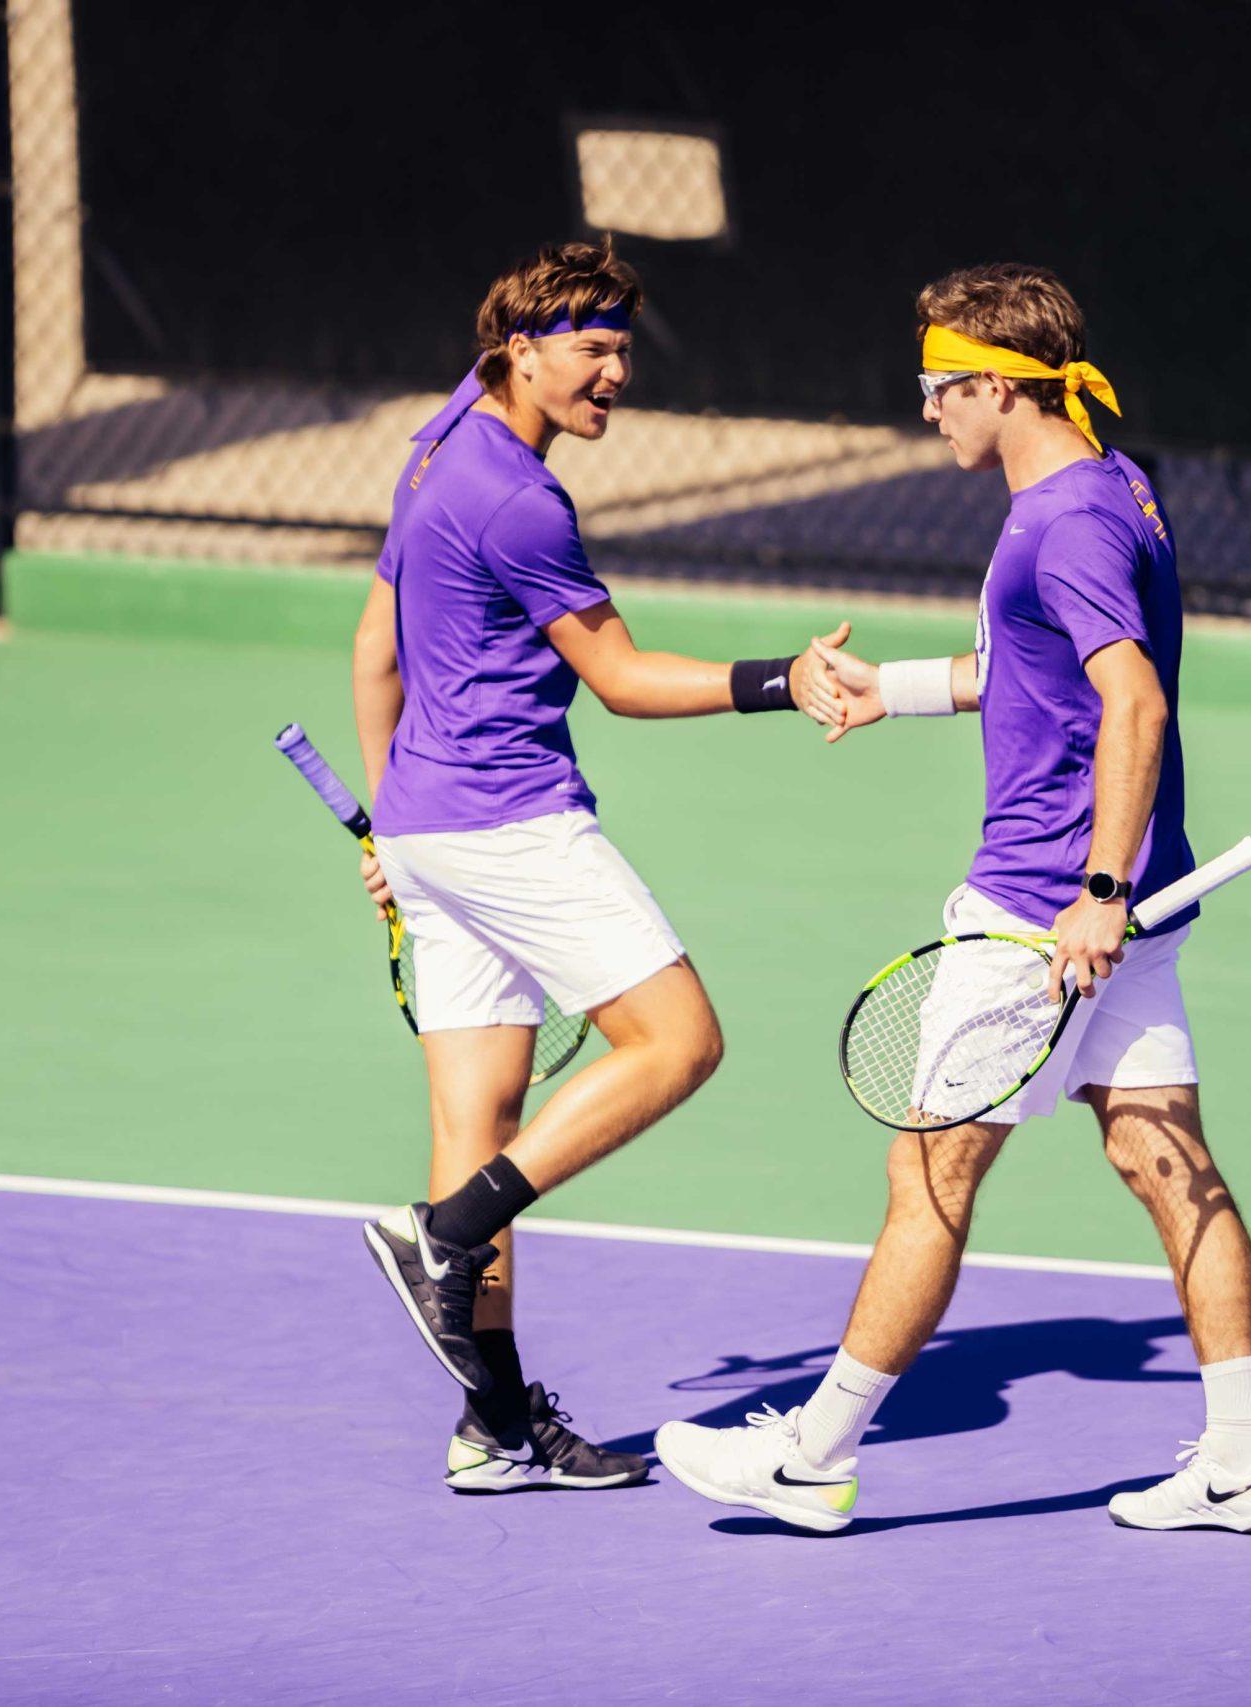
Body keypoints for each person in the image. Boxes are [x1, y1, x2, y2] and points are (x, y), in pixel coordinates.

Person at [653, 263, 1251, 1533]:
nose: (927, 412)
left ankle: (813, 1460)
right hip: (1120, 903)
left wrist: (1096, 890)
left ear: (997, 387)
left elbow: (1134, 702)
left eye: (936, 389)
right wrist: (872, 690)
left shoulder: (1063, 521)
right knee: (1168, 1167)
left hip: (1040, 911)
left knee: (929, 1181)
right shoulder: (1109, 490)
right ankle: (1240, 1460)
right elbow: (1025, 672)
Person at [350, 238, 843, 1493]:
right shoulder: (520, 498)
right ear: (520, 349)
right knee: (678, 1042)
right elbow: (620, 682)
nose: (616, 372)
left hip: (427, 824)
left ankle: (496, 1429)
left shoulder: (439, 437)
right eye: (592, 348)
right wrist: (783, 680)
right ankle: (438, 1240)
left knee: (479, 1122)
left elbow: (375, 653)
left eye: (625, 346)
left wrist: (387, 833)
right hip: (512, 822)